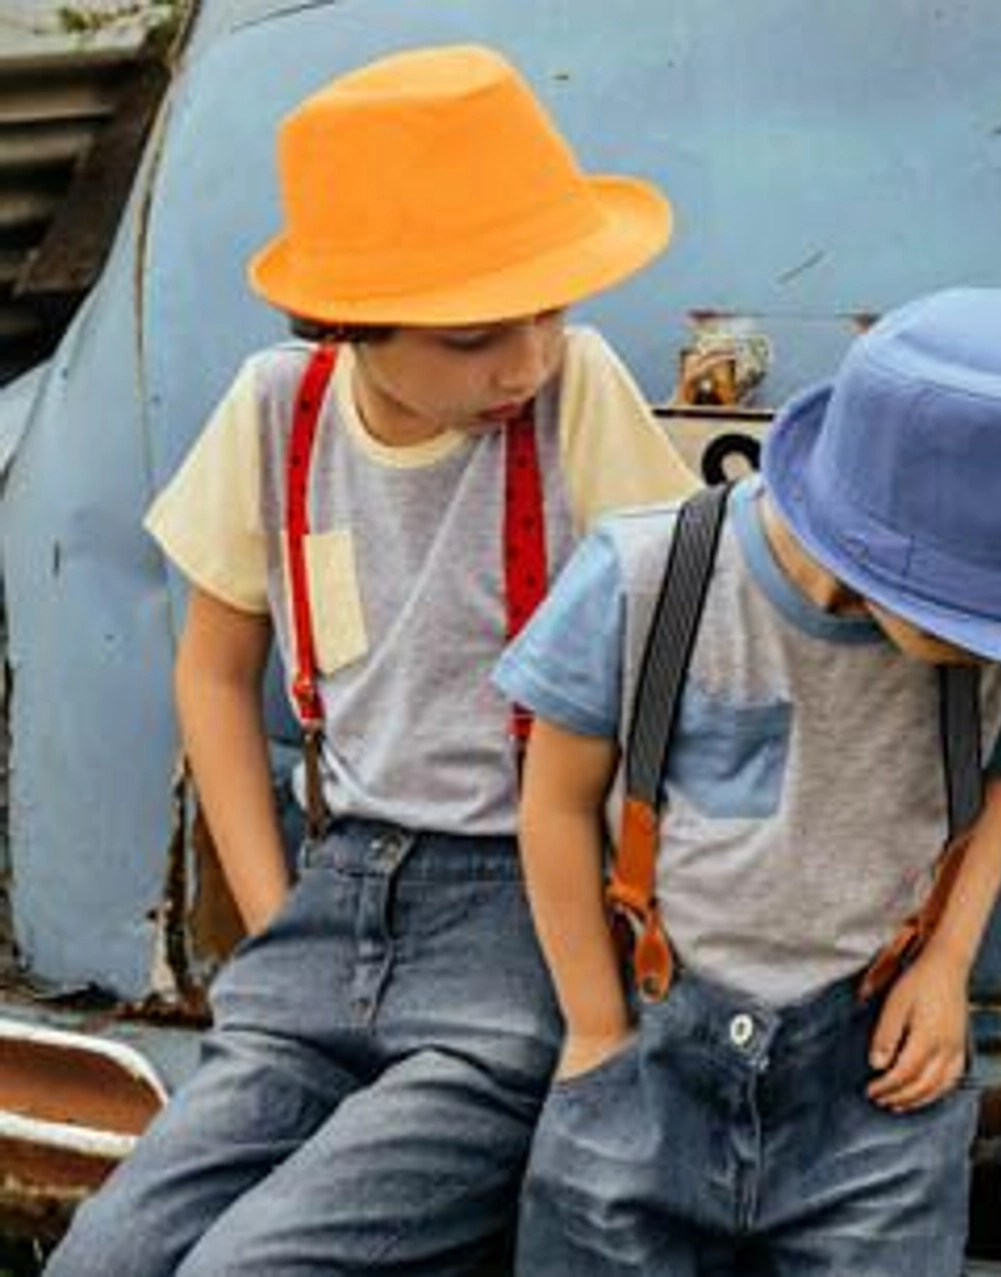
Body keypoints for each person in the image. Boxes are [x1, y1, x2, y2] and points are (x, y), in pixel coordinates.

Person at [47, 43, 697, 1276]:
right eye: (476, 334)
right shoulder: (276, 410)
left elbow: (683, 654)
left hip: (515, 920)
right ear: (345, 320)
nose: (527, 360)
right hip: (329, 906)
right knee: (106, 1256)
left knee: (254, 1264)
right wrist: (274, 915)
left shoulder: (576, 397)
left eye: (551, 311)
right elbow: (212, 670)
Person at [496, 285, 1001, 1275]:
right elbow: (555, 799)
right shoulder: (649, 577)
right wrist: (594, 1024)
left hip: (870, 1086)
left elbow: (998, 784)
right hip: (651, 1051)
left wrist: (947, 963)